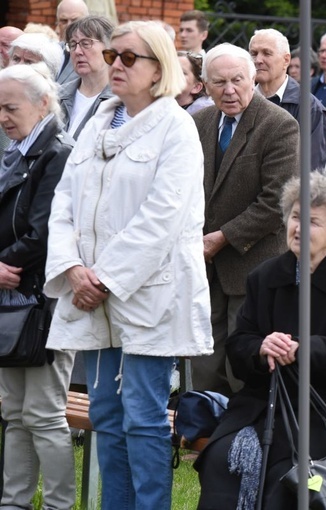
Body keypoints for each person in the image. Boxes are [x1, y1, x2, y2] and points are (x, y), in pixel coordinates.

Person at [44, 21, 213, 510]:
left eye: (129, 57)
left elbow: (162, 217)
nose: (115, 64)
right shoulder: (99, 121)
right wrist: (73, 268)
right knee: (106, 415)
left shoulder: (176, 128)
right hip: (91, 294)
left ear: (159, 67)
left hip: (148, 294)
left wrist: (104, 278)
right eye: (113, 54)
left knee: (142, 417)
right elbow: (65, 203)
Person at [196, 173, 326, 508]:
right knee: (222, 460)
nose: (299, 228)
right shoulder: (266, 276)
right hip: (269, 401)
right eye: (295, 217)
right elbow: (239, 343)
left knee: (288, 473)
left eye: (313, 221)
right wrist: (261, 349)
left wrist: (305, 349)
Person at [191, 43, 299, 396]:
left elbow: (276, 202)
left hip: (252, 263)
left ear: (253, 78)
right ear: (205, 86)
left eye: (238, 80)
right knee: (204, 362)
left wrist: (220, 238)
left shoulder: (279, 124)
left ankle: (246, 443)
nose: (230, 90)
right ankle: (203, 439)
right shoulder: (199, 121)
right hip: (202, 267)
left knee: (245, 365)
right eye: (219, 82)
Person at [0, 63, 75, 510]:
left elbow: (46, 231)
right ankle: (14, 503)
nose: (3, 117)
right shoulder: (17, 150)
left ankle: (59, 506)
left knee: (44, 414)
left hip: (44, 298)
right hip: (12, 298)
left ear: (43, 103)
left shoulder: (58, 152)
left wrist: (2, 263)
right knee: (13, 412)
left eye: (10, 108)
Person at [250, 29, 326, 171]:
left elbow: (312, 170)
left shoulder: (309, 108)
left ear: (286, 60)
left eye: (267, 53)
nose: (258, 60)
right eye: (254, 54)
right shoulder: (241, 101)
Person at [59, 15, 114, 139]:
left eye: (86, 43)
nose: (77, 51)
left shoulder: (119, 102)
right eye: (73, 44)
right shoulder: (57, 95)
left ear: (109, 48)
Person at [54, 0, 89, 85]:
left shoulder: (93, 53)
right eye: (64, 20)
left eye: (75, 20)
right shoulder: (51, 51)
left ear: (87, 21)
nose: (69, 25)